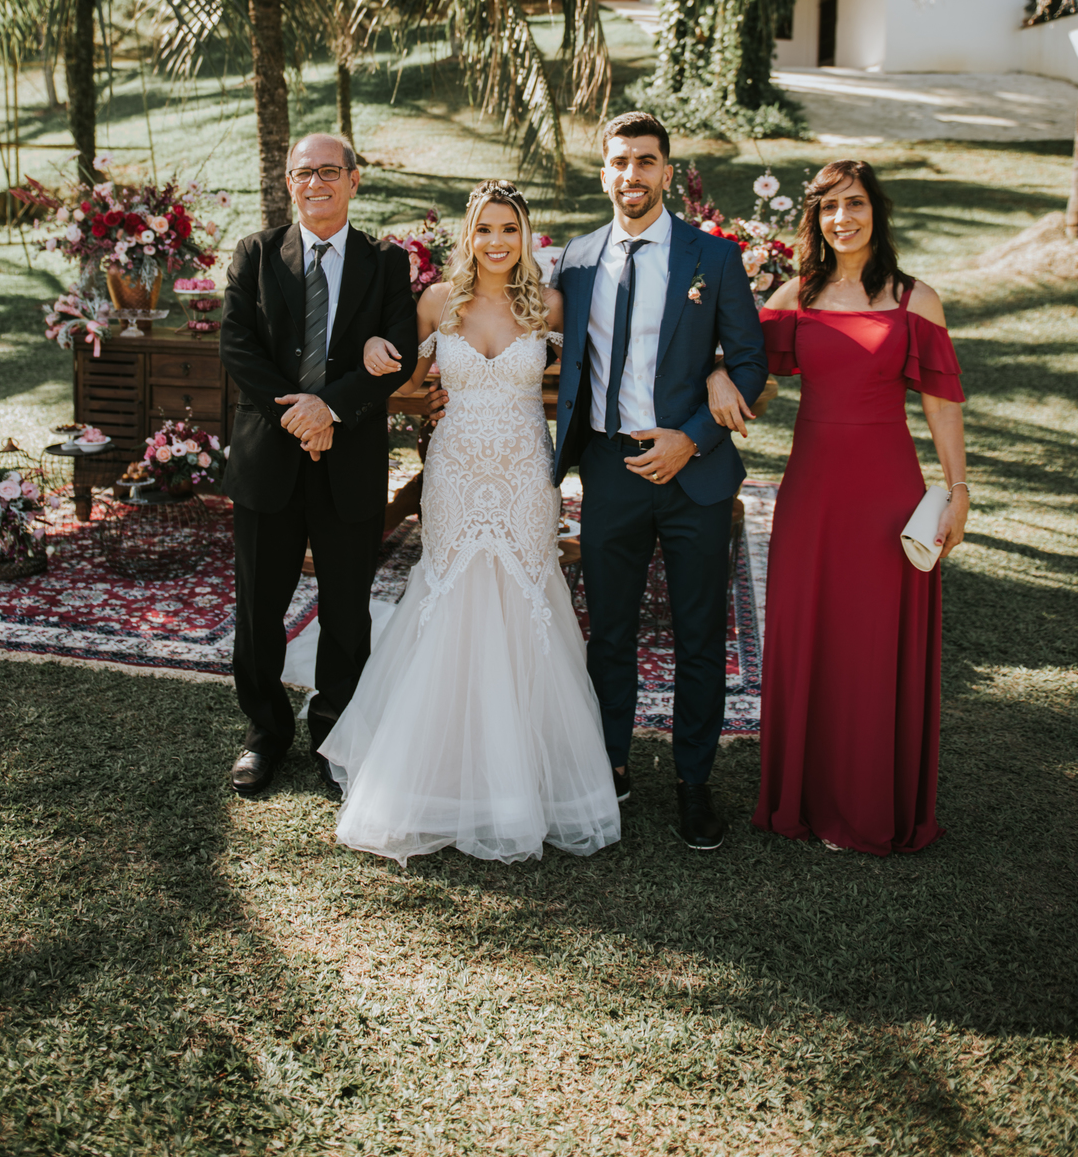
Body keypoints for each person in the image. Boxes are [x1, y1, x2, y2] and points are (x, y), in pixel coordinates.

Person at [320, 181, 621, 866]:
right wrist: (393, 364)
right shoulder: (436, 302)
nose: (496, 242)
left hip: (523, 477)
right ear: (468, 235)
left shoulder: (548, 305)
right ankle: (436, 778)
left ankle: (525, 785)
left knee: (525, 601)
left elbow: (595, 372)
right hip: (455, 473)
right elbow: (398, 379)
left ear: (525, 236)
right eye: (485, 229)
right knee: (449, 598)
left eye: (509, 229)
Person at [709, 159, 967, 855]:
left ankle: (869, 803)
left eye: (854, 204)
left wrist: (958, 491)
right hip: (812, 492)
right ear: (815, 220)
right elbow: (748, 370)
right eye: (828, 208)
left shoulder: (916, 300)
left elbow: (942, 404)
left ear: (876, 211)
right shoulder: (797, 295)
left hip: (887, 492)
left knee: (875, 640)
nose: (842, 218)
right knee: (810, 635)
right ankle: (807, 798)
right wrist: (718, 375)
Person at [551, 113, 769, 852]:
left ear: (667, 173)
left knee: (700, 634)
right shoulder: (577, 260)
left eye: (646, 161)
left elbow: (750, 362)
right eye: (619, 162)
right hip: (609, 469)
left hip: (695, 475)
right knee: (608, 631)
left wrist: (694, 434)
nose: (632, 175)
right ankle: (609, 767)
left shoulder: (714, 257)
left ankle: (693, 782)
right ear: (603, 173)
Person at [220, 134, 418, 797]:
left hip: (348, 463)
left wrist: (329, 409)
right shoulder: (255, 254)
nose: (316, 183)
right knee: (258, 612)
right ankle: (265, 734)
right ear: (289, 182)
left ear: (354, 181)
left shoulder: (385, 263)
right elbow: (238, 346)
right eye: (303, 173)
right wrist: (297, 415)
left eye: (330, 171)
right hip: (268, 463)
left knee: (347, 612)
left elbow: (401, 352)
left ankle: (336, 737)